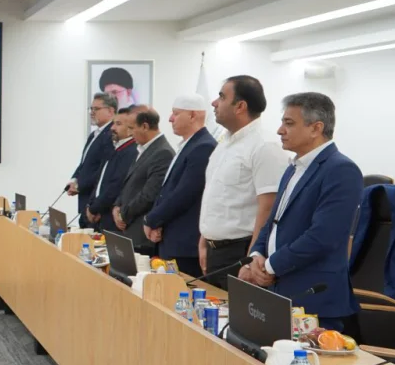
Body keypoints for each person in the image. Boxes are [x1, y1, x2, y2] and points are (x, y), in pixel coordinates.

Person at [242, 92, 363, 334]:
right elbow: (273, 222)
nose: (280, 130)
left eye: (289, 123)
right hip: (278, 290)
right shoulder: (293, 167)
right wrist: (256, 255)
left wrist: (271, 265)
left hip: (313, 298)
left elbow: (323, 237)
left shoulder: (341, 170)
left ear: (316, 128)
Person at [198, 76, 288, 288]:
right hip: (213, 250)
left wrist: (250, 260)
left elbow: (268, 208)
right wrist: (205, 239)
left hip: (240, 252)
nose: (214, 103)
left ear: (240, 106)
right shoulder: (224, 143)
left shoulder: (264, 146)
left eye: (222, 97)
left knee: (234, 310)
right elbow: (215, 196)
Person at [143, 95, 217, 276]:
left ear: (192, 115)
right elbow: (166, 191)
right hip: (171, 237)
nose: (170, 119)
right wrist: (156, 221)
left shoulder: (204, 146)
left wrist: (151, 219)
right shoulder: (189, 144)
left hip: (185, 244)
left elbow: (184, 193)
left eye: (176, 113)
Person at [111, 107, 174, 255]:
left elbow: (149, 194)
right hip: (130, 229)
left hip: (142, 234)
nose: (129, 133)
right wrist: (117, 206)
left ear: (145, 126)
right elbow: (130, 183)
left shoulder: (162, 152)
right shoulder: (142, 149)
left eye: (131, 128)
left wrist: (123, 214)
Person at [67, 93, 117, 228]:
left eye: (96, 109)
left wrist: (80, 185)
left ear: (110, 111)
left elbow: (103, 170)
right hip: (84, 201)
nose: (92, 112)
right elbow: (84, 163)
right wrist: (74, 180)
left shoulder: (111, 135)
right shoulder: (94, 134)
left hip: (95, 204)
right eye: (91, 109)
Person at [86, 108, 138, 233]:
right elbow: (100, 181)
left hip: (112, 219)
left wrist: (94, 209)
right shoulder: (116, 148)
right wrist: (91, 205)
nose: (112, 128)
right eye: (113, 123)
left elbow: (115, 186)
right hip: (100, 215)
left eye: (118, 124)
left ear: (131, 129)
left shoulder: (131, 152)